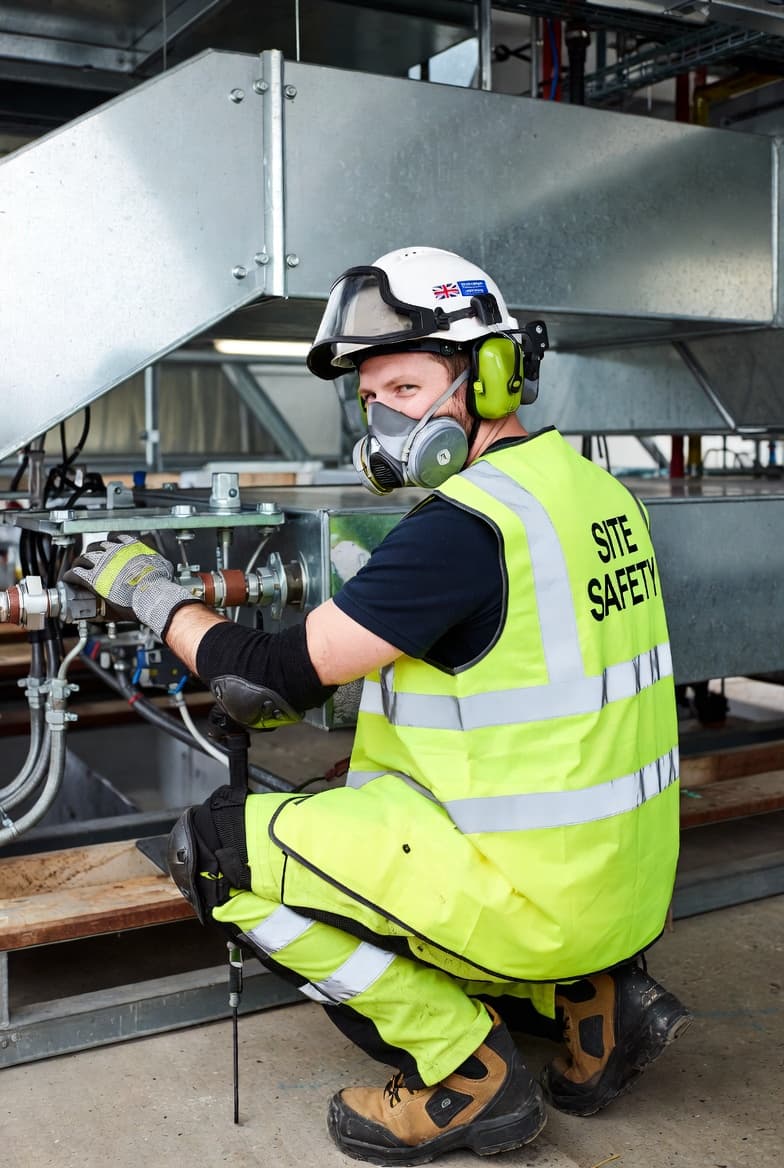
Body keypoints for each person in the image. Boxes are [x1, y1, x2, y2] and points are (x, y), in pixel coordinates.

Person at [69, 246, 691, 1165]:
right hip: (624, 890)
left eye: (406, 387)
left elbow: (267, 683)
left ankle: (465, 1071)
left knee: (219, 852)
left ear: (491, 376)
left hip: (534, 900)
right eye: (371, 397)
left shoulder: (463, 529)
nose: (387, 419)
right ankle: (595, 1004)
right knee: (346, 800)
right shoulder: (598, 494)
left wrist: (149, 591)